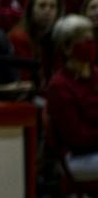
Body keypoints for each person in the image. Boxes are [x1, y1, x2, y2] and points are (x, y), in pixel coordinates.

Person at [47, 15, 98, 181]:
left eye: (91, 40)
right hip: (75, 157)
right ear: (67, 48)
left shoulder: (96, 74)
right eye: (84, 41)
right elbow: (76, 137)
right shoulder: (59, 85)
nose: (90, 45)